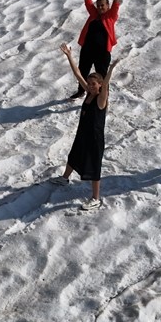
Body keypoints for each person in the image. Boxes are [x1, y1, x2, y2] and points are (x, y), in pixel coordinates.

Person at [52, 43, 118, 211]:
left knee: (94, 166)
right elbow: (77, 73)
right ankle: (65, 178)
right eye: (89, 83)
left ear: (100, 86)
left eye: (94, 84)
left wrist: (110, 69)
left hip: (95, 138)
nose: (90, 86)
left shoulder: (101, 99)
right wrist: (69, 56)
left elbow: (107, 82)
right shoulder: (88, 94)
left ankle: (95, 198)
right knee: (74, 155)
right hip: (83, 133)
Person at [70, 0, 131, 99]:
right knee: (82, 71)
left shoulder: (111, 16)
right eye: (98, 5)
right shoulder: (93, 14)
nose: (100, 7)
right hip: (87, 49)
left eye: (102, 5)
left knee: (102, 75)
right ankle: (81, 91)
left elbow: (116, 2)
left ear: (107, 6)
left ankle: (104, 95)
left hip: (102, 52)